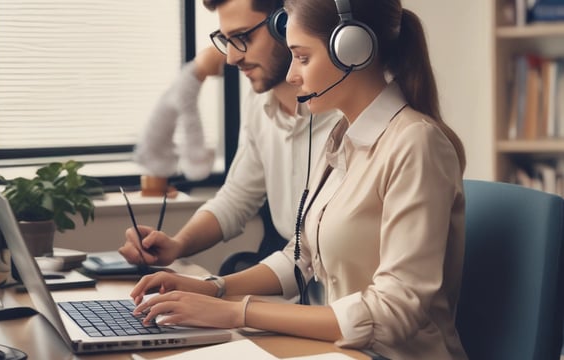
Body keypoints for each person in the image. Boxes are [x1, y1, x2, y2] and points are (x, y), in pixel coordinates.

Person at [129, 0, 469, 359]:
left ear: (352, 50)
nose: (292, 75)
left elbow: (393, 313)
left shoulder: (416, 144)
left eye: (303, 58)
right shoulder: (343, 138)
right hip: (340, 351)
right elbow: (302, 257)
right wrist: (212, 288)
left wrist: (234, 311)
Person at [120, 0, 340, 270]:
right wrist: (176, 245)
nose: (231, 58)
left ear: (286, 25)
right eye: (227, 40)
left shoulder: (349, 113)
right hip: (292, 276)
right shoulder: (259, 104)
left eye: (243, 36)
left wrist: (219, 293)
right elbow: (237, 197)